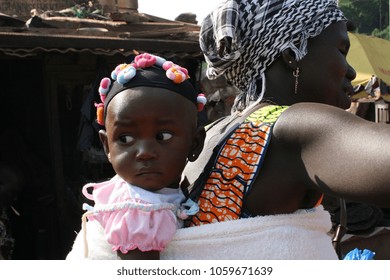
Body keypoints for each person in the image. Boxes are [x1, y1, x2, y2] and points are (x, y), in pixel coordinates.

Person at [67, 0, 390, 260]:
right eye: (341, 51)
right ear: (293, 54)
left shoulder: (214, 131)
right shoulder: (296, 125)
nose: (349, 71)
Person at [67, 53, 206, 260]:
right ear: (107, 146)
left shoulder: (159, 195)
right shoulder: (137, 212)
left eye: (163, 136)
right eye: (125, 139)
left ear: (194, 144)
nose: (145, 152)